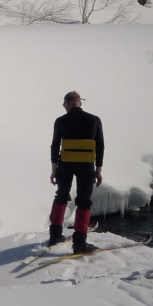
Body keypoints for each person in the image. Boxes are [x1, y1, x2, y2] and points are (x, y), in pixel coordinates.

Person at [48, 91, 105, 253]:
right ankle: (80, 243)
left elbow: (55, 146)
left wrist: (54, 170)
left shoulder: (60, 121)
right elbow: (100, 146)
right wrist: (98, 170)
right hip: (86, 165)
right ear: (80, 103)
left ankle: (54, 235)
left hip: (65, 164)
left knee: (61, 196)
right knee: (84, 200)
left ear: (67, 104)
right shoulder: (94, 120)